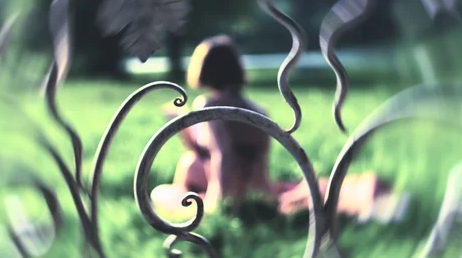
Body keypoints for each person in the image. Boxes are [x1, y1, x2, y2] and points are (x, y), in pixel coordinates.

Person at [151, 35, 409, 222]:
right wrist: (184, 128)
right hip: (261, 188)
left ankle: (376, 207)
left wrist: (220, 201)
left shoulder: (209, 105)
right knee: (190, 164)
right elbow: (218, 154)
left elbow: (224, 153)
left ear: (204, 70)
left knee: (160, 193)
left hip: (234, 193)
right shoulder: (257, 110)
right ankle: (381, 201)